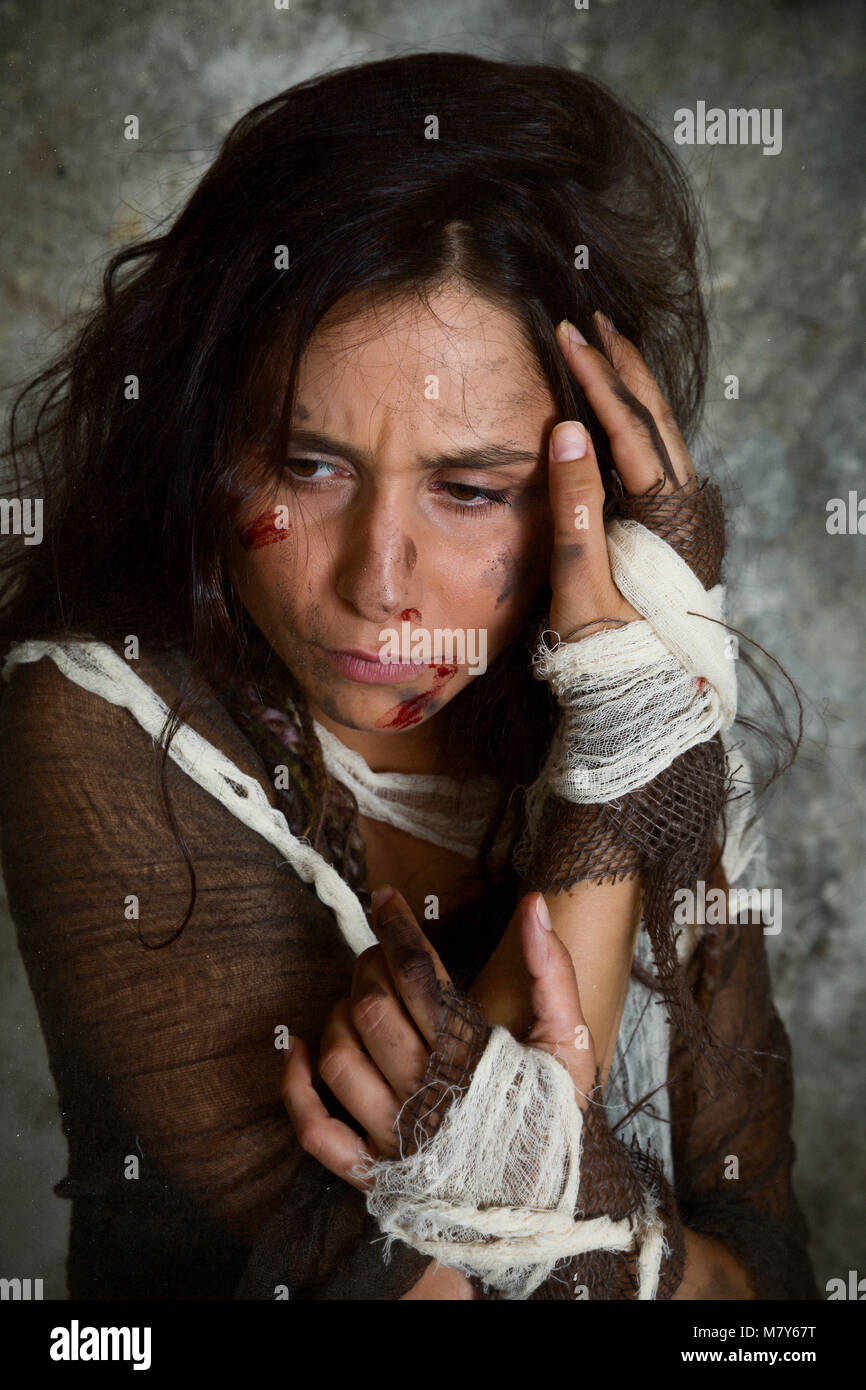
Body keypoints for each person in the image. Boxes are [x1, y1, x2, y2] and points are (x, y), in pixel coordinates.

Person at [0, 52, 816, 1300]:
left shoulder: (658, 704)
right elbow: (385, 1281)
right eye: (306, 464)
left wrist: (586, 1226)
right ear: (204, 442)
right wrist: (615, 770)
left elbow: (768, 1294)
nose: (380, 584)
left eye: (471, 490)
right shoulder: (89, 726)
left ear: (580, 499)